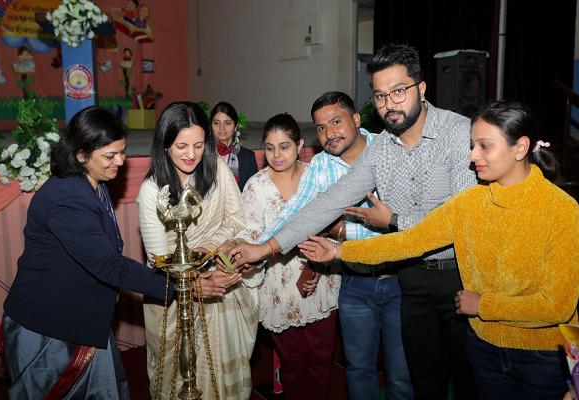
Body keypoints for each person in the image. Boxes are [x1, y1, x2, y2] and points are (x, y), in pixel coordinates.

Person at [228, 42, 478, 399]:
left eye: (399, 92)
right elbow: (329, 201)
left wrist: (394, 219)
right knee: (425, 382)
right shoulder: (381, 150)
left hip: (460, 275)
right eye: (380, 96)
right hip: (412, 280)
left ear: (421, 90)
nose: (389, 104)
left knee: (471, 382)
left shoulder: (457, 132)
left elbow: (459, 217)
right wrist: (266, 247)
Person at [299, 100, 579, 400]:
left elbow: (557, 305)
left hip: (541, 358)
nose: (473, 157)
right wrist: (339, 252)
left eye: (484, 146)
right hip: (484, 348)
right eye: (472, 145)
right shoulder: (467, 204)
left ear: (520, 148)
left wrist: (483, 305)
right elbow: (409, 241)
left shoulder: (561, 210)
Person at [0, 106, 174, 399]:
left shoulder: (92, 182)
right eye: (110, 155)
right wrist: (176, 285)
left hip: (82, 316)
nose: (120, 161)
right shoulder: (67, 199)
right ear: (81, 155)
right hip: (50, 327)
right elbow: (109, 265)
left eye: (122, 151)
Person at [257, 92, 413, 399]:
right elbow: (300, 212)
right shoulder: (320, 167)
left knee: (400, 375)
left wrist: (342, 228)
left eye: (336, 122)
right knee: (358, 369)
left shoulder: (391, 150)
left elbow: (410, 217)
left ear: (356, 120)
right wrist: (260, 249)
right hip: (353, 282)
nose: (330, 133)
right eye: (321, 128)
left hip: (400, 279)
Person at [136, 101, 257, 400]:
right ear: (164, 145)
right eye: (181, 146)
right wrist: (193, 283)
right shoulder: (152, 190)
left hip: (219, 283)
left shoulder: (216, 170)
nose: (191, 155)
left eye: (199, 145)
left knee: (219, 378)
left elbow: (236, 218)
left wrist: (207, 247)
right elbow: (157, 258)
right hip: (172, 293)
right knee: (176, 379)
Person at [230, 113, 340, 400]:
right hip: (279, 287)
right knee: (292, 366)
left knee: (320, 363)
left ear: (300, 144)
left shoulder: (317, 177)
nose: (276, 155)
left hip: (321, 280)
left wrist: (316, 268)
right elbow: (252, 236)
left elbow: (332, 224)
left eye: (284, 146)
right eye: (269, 148)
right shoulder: (256, 186)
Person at [210, 101, 258, 191]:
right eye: (216, 123)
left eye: (227, 123)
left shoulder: (248, 157)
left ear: (236, 126)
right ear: (210, 125)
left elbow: (252, 192)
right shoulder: (202, 154)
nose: (222, 128)